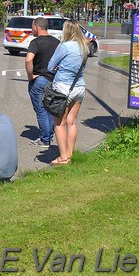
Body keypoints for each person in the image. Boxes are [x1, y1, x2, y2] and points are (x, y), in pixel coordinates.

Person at [47, 20, 88, 165]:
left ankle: (63, 157)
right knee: (72, 122)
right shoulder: (84, 47)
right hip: (79, 87)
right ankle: (70, 154)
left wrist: (60, 68)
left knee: (59, 123)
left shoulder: (64, 47)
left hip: (63, 87)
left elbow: (50, 66)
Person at [25, 17, 60, 148]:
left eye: (32, 27)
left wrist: (30, 76)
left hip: (39, 80)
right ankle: (49, 135)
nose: (31, 29)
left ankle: (45, 139)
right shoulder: (57, 42)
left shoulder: (36, 42)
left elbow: (29, 60)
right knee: (50, 109)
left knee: (41, 110)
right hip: (53, 80)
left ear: (37, 27)